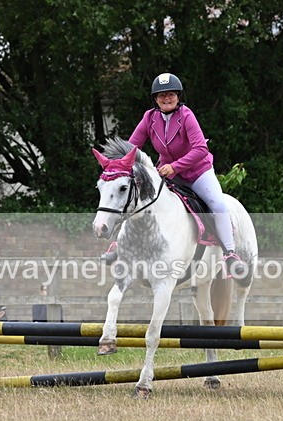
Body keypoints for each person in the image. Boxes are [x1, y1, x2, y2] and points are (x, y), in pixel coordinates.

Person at [101, 72, 247, 277]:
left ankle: (230, 254)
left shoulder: (186, 115)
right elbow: (131, 148)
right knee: (136, 198)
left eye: (170, 94)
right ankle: (120, 245)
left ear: (178, 96)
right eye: (161, 95)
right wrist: (117, 166)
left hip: (198, 172)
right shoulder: (149, 118)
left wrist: (175, 167)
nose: (166, 98)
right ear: (155, 99)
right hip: (167, 172)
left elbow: (200, 149)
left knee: (218, 205)